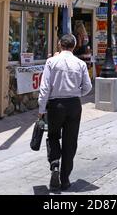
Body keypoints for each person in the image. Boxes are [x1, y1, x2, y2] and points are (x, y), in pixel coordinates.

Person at [38, 34, 92, 192]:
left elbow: (45, 87)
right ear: (74, 46)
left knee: (53, 136)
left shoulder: (51, 62)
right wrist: (76, 94)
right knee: (70, 141)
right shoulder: (80, 63)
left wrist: (41, 110)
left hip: (56, 104)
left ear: (59, 45)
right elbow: (88, 87)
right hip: (74, 104)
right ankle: (65, 179)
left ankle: (55, 163)